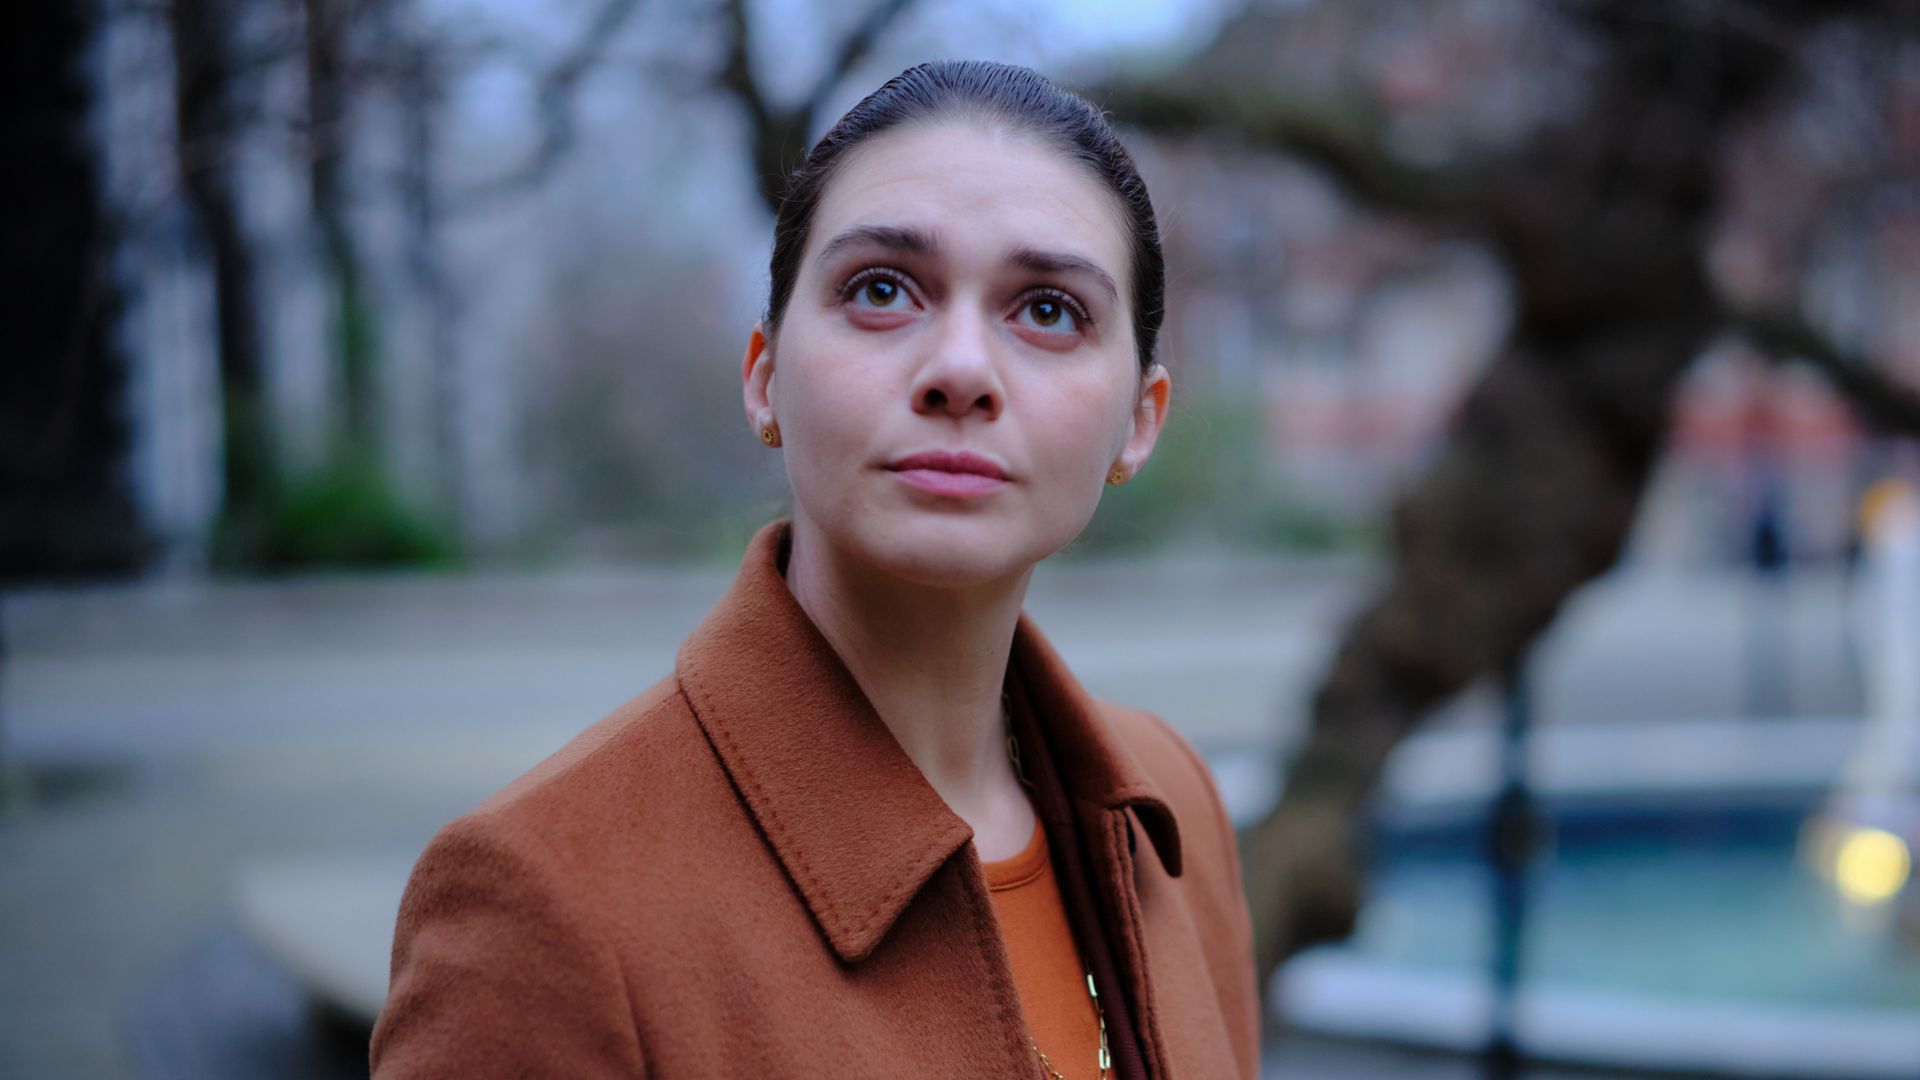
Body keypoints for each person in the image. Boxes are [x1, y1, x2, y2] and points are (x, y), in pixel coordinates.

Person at [369, 59, 1260, 1079]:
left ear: (1138, 422)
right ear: (764, 380)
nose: (961, 370)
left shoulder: (1169, 809)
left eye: (1049, 310)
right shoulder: (545, 902)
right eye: (882, 291)